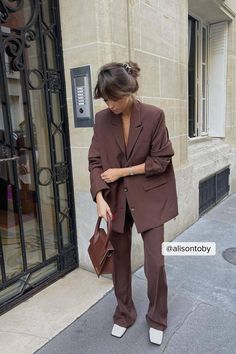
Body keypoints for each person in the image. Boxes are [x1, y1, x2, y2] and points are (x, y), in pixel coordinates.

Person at [88, 61, 178, 345]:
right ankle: (124, 313)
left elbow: (162, 160)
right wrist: (100, 197)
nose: (109, 104)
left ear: (129, 90)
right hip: (116, 201)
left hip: (150, 198)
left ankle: (157, 317)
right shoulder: (102, 120)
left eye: (113, 98)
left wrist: (124, 171)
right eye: (105, 99)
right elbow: (94, 161)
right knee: (121, 263)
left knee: (156, 263)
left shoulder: (153, 116)